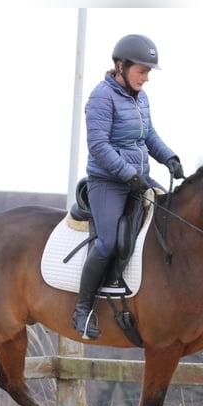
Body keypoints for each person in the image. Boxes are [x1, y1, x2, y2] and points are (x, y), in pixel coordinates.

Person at [71, 33, 184, 340]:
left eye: (148, 73)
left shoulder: (140, 97)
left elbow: (149, 136)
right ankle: (83, 310)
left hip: (137, 177)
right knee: (108, 242)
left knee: (174, 217)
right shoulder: (101, 97)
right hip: (107, 181)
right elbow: (98, 145)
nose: (146, 78)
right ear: (121, 67)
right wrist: (127, 173)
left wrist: (169, 157)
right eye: (142, 71)